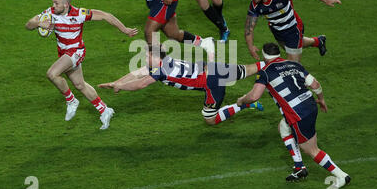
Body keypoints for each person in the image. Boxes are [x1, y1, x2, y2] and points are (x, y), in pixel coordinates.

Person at [237, 43, 351, 187]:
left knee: (311, 150)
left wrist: (241, 100)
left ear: (265, 57)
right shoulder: (293, 64)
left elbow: (254, 96)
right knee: (283, 127)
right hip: (310, 105)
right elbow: (315, 84)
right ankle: (299, 168)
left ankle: (341, 176)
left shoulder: (265, 72)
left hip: (297, 113)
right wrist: (321, 99)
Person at [25, 0, 138, 130]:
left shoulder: (79, 14)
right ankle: (104, 110)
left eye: (56, 3)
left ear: (66, 4)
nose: (53, 6)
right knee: (80, 85)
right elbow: (28, 25)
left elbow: (105, 15)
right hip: (63, 53)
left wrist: (125, 30)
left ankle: (71, 100)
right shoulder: (50, 13)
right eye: (53, 3)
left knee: (52, 74)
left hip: (76, 52)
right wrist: (39, 24)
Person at [99, 44, 264, 125]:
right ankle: (278, 63)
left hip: (212, 83)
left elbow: (140, 84)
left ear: (154, 55)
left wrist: (120, 86)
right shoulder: (165, 62)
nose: (144, 59)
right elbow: (139, 72)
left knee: (210, 119)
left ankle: (244, 104)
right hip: (215, 68)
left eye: (146, 55)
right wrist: (117, 82)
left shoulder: (161, 71)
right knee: (251, 68)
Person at [245, 0, 341, 63]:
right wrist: (250, 47)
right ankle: (318, 41)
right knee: (292, 47)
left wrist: (326, 0)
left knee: (293, 66)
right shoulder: (255, 5)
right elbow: (249, 28)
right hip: (277, 30)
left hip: (293, 28)